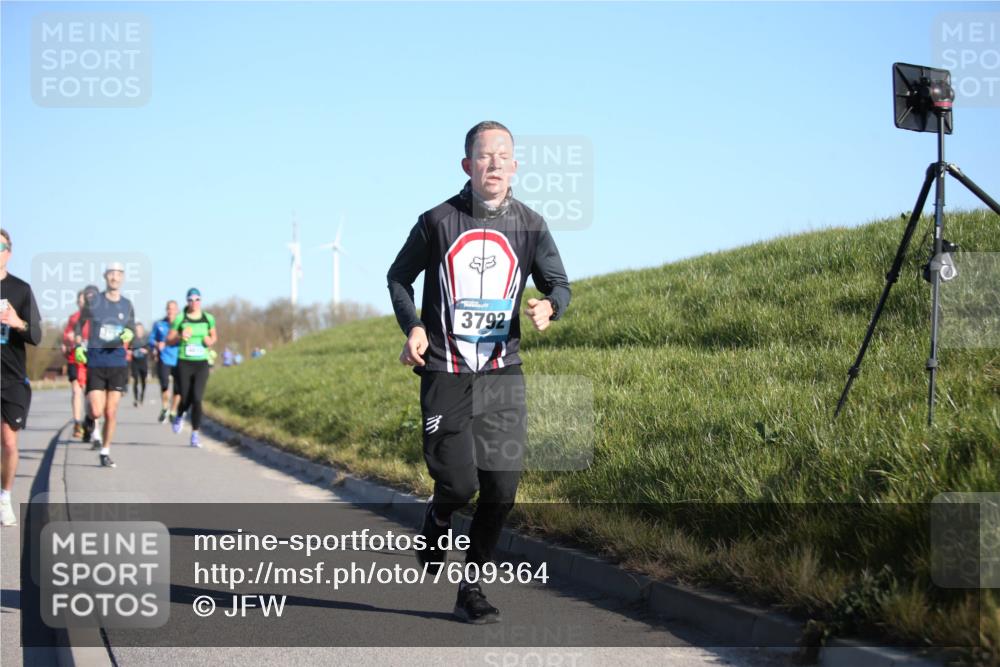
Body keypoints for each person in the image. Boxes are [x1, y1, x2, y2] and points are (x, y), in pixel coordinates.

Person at [386, 121, 570, 623]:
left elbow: (559, 283)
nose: (494, 164)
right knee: (459, 484)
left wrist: (551, 306)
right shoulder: (436, 221)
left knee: (502, 490)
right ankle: (440, 514)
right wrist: (413, 326)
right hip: (445, 369)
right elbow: (398, 277)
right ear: (467, 165)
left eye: (503, 156)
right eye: (484, 156)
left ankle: (472, 587)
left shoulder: (531, 224)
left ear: (515, 165)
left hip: (502, 371)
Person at [0, 229, 42, 526]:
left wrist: (17, 322)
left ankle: (4, 497)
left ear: (9, 252)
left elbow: (36, 335)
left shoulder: (21, 289)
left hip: (12, 378)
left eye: (0, 246)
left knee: (10, 444)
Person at [75, 262, 136, 468]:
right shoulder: (94, 302)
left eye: (119, 274)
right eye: (111, 273)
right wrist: (78, 345)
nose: (115, 277)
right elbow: (79, 324)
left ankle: (105, 450)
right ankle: (89, 420)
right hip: (96, 361)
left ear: (123, 278)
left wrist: (130, 333)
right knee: (97, 410)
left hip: (117, 363)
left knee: (111, 412)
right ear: (105, 277)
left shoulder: (127, 304)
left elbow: (131, 328)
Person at [167, 288, 217, 448]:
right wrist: (180, 337)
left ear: (201, 301)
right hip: (184, 362)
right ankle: (180, 415)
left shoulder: (208, 318)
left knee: (197, 398)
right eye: (190, 300)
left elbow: (214, 336)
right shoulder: (181, 318)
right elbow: (169, 339)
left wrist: (210, 341)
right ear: (186, 301)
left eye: (197, 299)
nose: (194, 303)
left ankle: (195, 434)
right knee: (185, 396)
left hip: (201, 362)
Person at [61, 290, 88, 438]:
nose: (83, 304)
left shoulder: (94, 319)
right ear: (78, 302)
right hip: (74, 359)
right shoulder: (73, 318)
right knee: (76, 391)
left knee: (90, 395)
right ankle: (77, 423)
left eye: (86, 302)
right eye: (81, 301)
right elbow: (66, 337)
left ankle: (91, 424)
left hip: (91, 360)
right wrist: (67, 341)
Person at [149, 300, 181, 423]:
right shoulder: (159, 324)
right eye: (169, 308)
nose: (170, 311)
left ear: (177, 311)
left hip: (178, 358)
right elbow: (151, 339)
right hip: (164, 358)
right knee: (164, 385)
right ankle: (165, 407)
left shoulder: (181, 325)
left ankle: (173, 411)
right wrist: (157, 345)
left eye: (173, 309)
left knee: (179, 389)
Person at [129, 323, 149, 407]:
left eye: (140, 329)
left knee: (143, 381)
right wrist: (131, 351)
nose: (138, 331)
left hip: (143, 363)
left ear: (142, 330)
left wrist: (146, 351)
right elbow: (128, 349)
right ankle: (136, 399)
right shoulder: (132, 339)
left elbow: (149, 349)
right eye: (136, 329)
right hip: (135, 363)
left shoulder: (146, 339)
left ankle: (142, 397)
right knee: (136, 381)